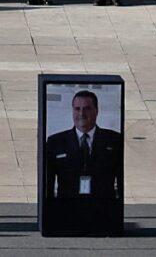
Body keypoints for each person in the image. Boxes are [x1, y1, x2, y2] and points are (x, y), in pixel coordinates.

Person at [42, 89, 121, 234]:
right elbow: (48, 183)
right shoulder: (56, 142)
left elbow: (119, 181)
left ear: (96, 111)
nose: (81, 114)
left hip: (102, 212)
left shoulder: (113, 141)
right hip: (68, 211)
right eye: (77, 109)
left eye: (87, 109)